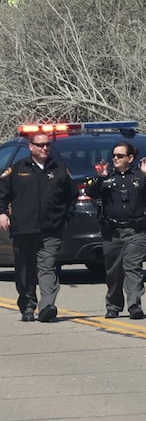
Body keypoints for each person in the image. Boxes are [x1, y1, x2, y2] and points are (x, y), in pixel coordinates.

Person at [0, 132, 76, 322]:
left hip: (51, 230)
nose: (45, 148)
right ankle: (27, 305)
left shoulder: (59, 169)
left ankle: (47, 305)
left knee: (47, 267)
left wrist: (65, 218)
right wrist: (2, 213)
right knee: (24, 270)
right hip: (23, 230)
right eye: (40, 145)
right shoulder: (17, 169)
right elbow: (2, 194)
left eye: (47, 145)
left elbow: (72, 197)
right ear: (31, 147)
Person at [86, 141, 146, 319]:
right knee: (114, 272)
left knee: (132, 267)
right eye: (114, 155)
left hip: (136, 231)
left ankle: (134, 304)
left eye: (120, 156)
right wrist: (100, 177)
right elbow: (91, 192)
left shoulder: (140, 176)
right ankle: (113, 305)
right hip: (112, 232)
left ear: (130, 158)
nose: (115, 158)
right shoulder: (107, 176)